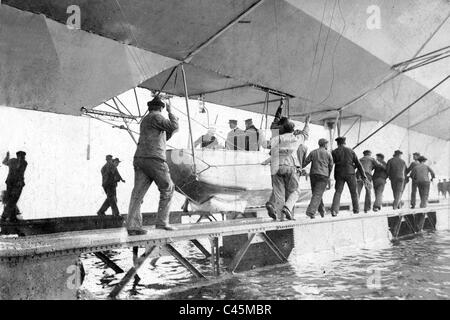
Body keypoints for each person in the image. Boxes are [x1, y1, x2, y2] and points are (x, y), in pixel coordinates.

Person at [127, 96, 179, 235]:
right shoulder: (157, 117)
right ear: (161, 107)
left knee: (137, 193)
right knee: (168, 188)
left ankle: (133, 226)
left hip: (140, 158)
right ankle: (162, 223)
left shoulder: (146, 120)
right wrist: (171, 112)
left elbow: (163, 136)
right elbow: (174, 126)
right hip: (154, 158)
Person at [263, 115, 310, 220]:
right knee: (296, 190)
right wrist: (307, 123)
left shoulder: (277, 138)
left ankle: (279, 215)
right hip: (290, 165)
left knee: (278, 192)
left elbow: (267, 145)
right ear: (293, 130)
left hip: (275, 166)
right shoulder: (297, 138)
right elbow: (305, 134)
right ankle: (288, 208)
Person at [331, 137, 367, 216]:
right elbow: (358, 164)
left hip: (339, 174)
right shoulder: (351, 151)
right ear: (345, 142)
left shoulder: (334, 152)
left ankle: (334, 211)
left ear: (337, 143)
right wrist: (363, 176)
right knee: (354, 192)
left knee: (338, 192)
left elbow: (331, 164)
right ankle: (356, 210)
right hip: (350, 173)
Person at [303, 138, 333, 219]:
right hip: (323, 175)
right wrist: (328, 175)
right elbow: (331, 165)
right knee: (318, 194)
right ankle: (311, 211)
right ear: (325, 144)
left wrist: (300, 168)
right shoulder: (328, 153)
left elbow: (305, 162)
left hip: (313, 175)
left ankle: (321, 211)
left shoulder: (313, 152)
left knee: (316, 193)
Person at [1, 151, 28, 222]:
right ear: (21, 156)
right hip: (17, 184)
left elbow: (4, 162)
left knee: (11, 200)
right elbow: (18, 168)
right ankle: (4, 216)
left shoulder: (12, 161)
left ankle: (12, 217)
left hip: (9, 182)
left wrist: (7, 157)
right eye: (23, 156)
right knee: (13, 200)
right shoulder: (24, 162)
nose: (24, 158)